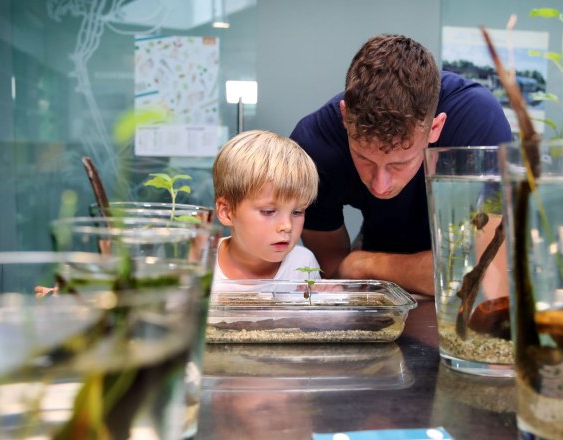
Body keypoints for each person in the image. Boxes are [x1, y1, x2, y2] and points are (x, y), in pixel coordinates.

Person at [290, 34, 513, 295]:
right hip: (380, 249)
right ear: (344, 117)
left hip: (426, 259)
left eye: (400, 163)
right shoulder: (315, 146)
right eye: (364, 158)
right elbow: (337, 271)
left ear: (436, 128)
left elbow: (482, 269)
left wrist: (363, 264)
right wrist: (354, 267)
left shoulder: (476, 124)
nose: (380, 186)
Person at [211, 130, 321, 286]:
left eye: (297, 212)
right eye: (268, 212)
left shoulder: (302, 264)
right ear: (227, 212)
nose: (287, 226)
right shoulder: (201, 265)